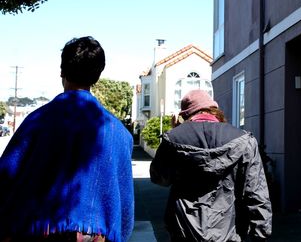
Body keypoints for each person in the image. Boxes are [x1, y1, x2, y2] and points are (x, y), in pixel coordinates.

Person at [0, 36, 134, 242]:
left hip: (39, 231)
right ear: (97, 76)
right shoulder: (119, 133)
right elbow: (124, 204)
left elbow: (6, 177)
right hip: (95, 237)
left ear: (62, 70)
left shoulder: (38, 121)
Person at [150, 90, 272, 242]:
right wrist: (260, 234)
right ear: (214, 109)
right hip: (229, 232)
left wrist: (175, 132)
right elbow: (256, 192)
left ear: (185, 114)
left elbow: (160, 178)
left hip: (184, 231)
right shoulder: (244, 140)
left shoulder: (173, 139)